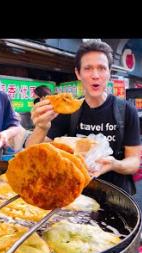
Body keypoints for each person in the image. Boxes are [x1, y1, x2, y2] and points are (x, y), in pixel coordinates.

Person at [26, 39, 141, 194]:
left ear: (109, 72)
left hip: (117, 195)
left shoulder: (127, 110)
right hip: (78, 192)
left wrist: (114, 164)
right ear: (78, 73)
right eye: (88, 68)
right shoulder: (68, 110)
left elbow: (134, 162)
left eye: (101, 68)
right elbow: (31, 152)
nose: (95, 75)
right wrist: (41, 127)